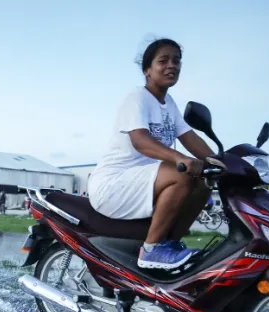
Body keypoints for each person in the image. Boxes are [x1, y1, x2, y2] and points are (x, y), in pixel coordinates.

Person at [88, 37, 219, 270]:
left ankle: (170, 244)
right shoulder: (137, 97)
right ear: (148, 70)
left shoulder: (169, 103)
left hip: (142, 181)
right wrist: (180, 158)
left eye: (177, 61)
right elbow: (141, 142)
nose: (172, 65)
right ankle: (151, 250)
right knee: (181, 173)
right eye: (163, 60)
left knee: (203, 181)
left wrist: (222, 163)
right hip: (113, 184)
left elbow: (190, 138)